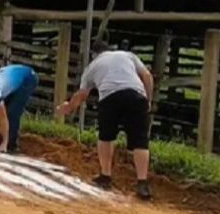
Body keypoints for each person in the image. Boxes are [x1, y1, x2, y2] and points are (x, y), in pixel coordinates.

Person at [57, 40, 155, 200]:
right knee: (140, 140)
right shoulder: (127, 55)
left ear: (93, 54)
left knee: (106, 136)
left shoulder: (92, 67)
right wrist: (148, 99)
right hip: (137, 96)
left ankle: (105, 175)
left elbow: (82, 94)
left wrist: (69, 107)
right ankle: (142, 182)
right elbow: (147, 76)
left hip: (110, 97)